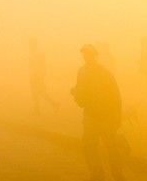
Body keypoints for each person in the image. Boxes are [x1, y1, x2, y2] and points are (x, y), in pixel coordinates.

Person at [72, 44, 126, 180]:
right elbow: (79, 91)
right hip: (90, 116)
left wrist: (117, 117)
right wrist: (76, 94)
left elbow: (115, 96)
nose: (86, 57)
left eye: (88, 54)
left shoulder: (104, 73)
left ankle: (117, 175)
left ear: (94, 56)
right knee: (89, 147)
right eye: (84, 54)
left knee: (111, 148)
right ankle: (97, 174)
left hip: (106, 117)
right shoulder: (81, 72)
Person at [30, 37, 60, 116]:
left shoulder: (39, 53)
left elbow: (43, 64)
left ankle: (54, 104)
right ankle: (37, 110)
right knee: (36, 93)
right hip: (34, 75)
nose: (30, 45)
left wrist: (41, 75)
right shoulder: (33, 53)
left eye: (31, 43)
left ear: (34, 44)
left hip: (38, 76)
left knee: (41, 93)